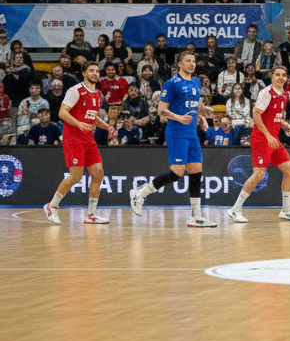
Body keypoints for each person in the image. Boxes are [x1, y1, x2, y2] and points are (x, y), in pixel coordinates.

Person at [129, 50, 217, 226]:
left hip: (192, 132)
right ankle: (140, 192)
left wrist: (202, 110)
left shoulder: (197, 82)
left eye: (193, 61)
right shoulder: (171, 83)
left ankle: (196, 216)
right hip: (177, 131)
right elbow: (162, 110)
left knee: (196, 171)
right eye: (188, 61)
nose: (192, 64)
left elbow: (188, 104)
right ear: (179, 63)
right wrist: (178, 118)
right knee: (177, 172)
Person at [227, 65, 290, 222]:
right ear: (272, 77)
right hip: (261, 139)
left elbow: (278, 117)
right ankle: (235, 210)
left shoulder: (284, 94)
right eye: (277, 74)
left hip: (273, 139)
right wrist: (267, 135)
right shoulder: (266, 93)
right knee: (259, 174)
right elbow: (256, 115)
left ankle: (286, 210)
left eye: (283, 75)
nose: (280, 77)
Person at [42, 61, 116, 225]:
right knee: (75, 176)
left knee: (98, 172)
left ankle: (91, 214)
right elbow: (62, 113)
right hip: (74, 138)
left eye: (97, 71)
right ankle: (51, 206)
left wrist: (106, 126)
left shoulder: (97, 93)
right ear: (84, 73)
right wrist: (79, 124)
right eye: (91, 71)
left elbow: (91, 116)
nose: (95, 74)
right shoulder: (75, 91)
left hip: (88, 139)